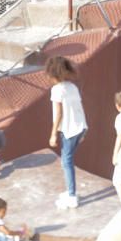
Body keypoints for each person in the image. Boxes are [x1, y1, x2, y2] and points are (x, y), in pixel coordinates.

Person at [46, 56, 88, 209]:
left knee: (66, 162)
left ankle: (71, 196)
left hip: (69, 130)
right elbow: (78, 107)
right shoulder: (72, 86)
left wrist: (53, 134)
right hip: (80, 126)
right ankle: (70, 192)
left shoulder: (57, 90)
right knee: (67, 160)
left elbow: (58, 114)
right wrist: (84, 129)